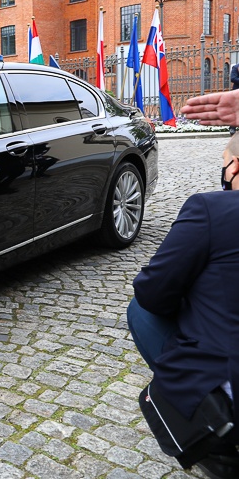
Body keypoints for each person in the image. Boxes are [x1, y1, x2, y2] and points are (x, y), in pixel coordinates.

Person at [127, 136, 239, 477]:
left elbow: (152, 291)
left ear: (234, 166)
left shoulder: (214, 209)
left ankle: (216, 439)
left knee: (140, 311)